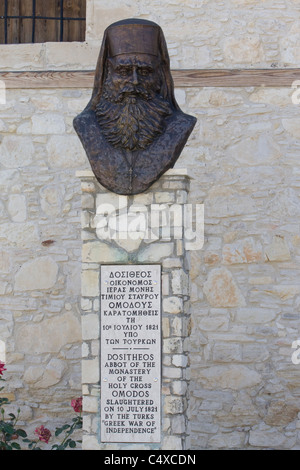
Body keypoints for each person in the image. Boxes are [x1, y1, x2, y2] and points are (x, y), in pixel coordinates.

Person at [74, 18, 196, 195]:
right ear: (108, 72)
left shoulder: (181, 125)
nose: (134, 81)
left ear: (159, 76)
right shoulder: (86, 124)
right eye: (123, 71)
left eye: (145, 72)